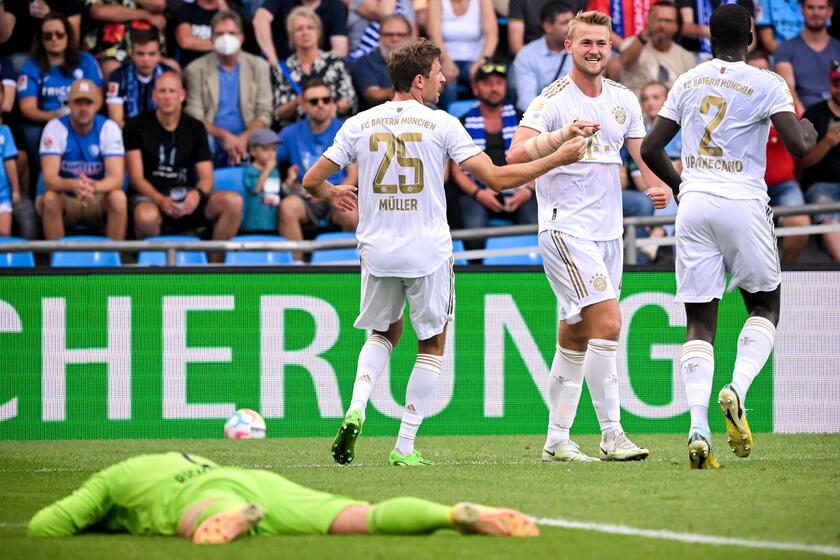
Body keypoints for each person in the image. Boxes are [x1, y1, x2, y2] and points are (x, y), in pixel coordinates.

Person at [302, 38, 591, 466]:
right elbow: (494, 179)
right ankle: (403, 447)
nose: (444, 78)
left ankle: (357, 406)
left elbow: (310, 181)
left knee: (382, 333)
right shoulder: (442, 123)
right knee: (431, 344)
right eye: (438, 72)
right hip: (428, 251)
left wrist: (331, 193)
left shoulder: (359, 123)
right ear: (419, 81)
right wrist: (558, 157)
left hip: (378, 249)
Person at [641, 3, 817, 468]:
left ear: (709, 39)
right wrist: (807, 127)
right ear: (753, 38)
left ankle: (698, 426)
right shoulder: (766, 82)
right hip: (742, 201)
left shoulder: (688, 80)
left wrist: (681, 187)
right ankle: (736, 389)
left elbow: (650, 148)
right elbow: (797, 146)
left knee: (700, 323)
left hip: (694, 203)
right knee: (764, 305)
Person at [507, 10, 671, 463]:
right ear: (568, 47)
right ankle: (612, 434)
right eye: (586, 44)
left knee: (575, 336)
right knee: (609, 324)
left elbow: (642, 154)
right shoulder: (552, 100)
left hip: (608, 234)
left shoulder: (623, 99)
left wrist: (655, 184)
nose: (595, 50)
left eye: (602, 43)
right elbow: (514, 152)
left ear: (610, 47)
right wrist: (560, 138)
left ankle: (556, 439)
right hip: (565, 229)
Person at [27, 452, 539, 541]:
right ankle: (453, 514)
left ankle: (230, 522)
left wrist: (105, 519)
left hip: (216, 492)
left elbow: (43, 527)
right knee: (363, 516)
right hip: (256, 480)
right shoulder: (178, 458)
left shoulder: (113, 480)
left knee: (204, 512)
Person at [124, 72, 242, 262]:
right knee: (146, 216)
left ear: (182, 95)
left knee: (233, 202)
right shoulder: (135, 126)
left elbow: (207, 178)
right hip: (150, 196)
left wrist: (196, 194)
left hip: (185, 196)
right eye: (162, 91)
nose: (167, 96)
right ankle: (150, 269)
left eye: (172, 91)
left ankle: (216, 269)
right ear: (154, 96)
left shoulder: (196, 128)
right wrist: (160, 199)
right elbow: (136, 178)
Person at [450, 59, 538, 249]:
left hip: (520, 189)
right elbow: (456, 169)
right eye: (488, 83)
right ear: (475, 88)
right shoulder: (462, 123)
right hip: (478, 193)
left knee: (537, 228)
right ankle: (477, 276)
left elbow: (538, 159)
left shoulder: (524, 119)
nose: (494, 88)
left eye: (499, 83)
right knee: (473, 233)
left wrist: (527, 190)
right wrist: (478, 194)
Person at [277, 78, 359, 262]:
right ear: (303, 105)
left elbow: (353, 175)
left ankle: (352, 266)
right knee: (287, 208)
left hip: (339, 192)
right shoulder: (290, 133)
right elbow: (267, 159)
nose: (321, 105)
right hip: (304, 196)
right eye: (314, 101)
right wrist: (285, 179)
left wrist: (328, 192)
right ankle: (295, 269)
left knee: (353, 215)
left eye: (326, 99)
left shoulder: (346, 129)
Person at [17, 12, 103, 183]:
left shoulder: (86, 60)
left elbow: (98, 98)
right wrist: (57, 117)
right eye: (48, 36)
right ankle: (42, 183)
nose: (54, 39)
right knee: (32, 135)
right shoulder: (31, 66)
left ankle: (96, 182)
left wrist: (79, 116)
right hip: (48, 120)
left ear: (68, 36)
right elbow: (27, 108)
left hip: (84, 116)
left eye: (59, 34)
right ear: (41, 40)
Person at [37, 79, 127, 241]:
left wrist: (93, 186)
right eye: (78, 103)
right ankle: (56, 262)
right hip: (67, 197)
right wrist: (73, 184)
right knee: (50, 198)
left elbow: (117, 179)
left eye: (88, 102)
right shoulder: (55, 127)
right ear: (69, 104)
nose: (83, 108)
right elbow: (49, 179)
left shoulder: (108, 128)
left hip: (97, 198)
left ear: (97, 104)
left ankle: (115, 260)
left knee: (118, 198)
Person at [184, 10, 273, 167]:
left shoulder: (259, 66)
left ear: (241, 37)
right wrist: (225, 136)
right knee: (202, 139)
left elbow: (264, 112)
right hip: (213, 134)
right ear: (211, 39)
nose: (226, 38)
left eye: (232, 33)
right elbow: (194, 115)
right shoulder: (195, 69)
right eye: (220, 34)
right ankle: (206, 187)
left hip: (248, 133)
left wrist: (244, 137)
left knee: (266, 139)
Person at [747, 51, 810, 264]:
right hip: (747, 187)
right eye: (753, 72)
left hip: (783, 185)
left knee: (800, 224)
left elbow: (799, 143)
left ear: (772, 74)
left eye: (764, 71)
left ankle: (785, 270)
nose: (759, 77)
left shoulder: (785, 102)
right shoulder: (734, 106)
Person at [271, 7, 356, 130]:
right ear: (291, 35)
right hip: (297, 136)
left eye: (310, 27)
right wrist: (298, 102)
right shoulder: (282, 68)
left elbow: (350, 101)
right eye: (299, 29)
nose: (305, 32)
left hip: (333, 133)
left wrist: (329, 107)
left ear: (318, 32)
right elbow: (278, 113)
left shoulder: (336, 63)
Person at [800, 60, 840, 262]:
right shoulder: (814, 114)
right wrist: (827, 142)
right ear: (829, 84)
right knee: (828, 219)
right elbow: (803, 162)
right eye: (836, 83)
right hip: (821, 185)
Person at [426, 0, 499, 110]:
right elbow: (434, 35)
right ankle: (446, 120)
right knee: (446, 82)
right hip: (444, 58)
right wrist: (445, 61)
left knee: (483, 79)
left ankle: (481, 120)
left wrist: (481, 62)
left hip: (476, 59)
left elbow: (492, 36)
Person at [774, 0, 840, 114]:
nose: (816, 13)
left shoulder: (838, 48)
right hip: (803, 116)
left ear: (830, 11)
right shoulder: (785, 48)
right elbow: (787, 89)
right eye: (810, 7)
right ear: (802, 10)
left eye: (821, 8)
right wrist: (804, 118)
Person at [620, 1, 696, 97]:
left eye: (668, 21)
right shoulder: (631, 44)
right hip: (635, 109)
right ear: (649, 20)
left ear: (677, 26)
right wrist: (645, 33)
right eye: (657, 20)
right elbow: (625, 62)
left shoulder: (686, 57)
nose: (661, 25)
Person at [512, 1, 575, 113]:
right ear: (547, 27)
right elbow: (526, 102)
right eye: (564, 23)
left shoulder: (583, 50)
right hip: (543, 119)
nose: (571, 28)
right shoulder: (527, 55)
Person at [106, 28, 176, 128]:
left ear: (159, 55)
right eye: (140, 54)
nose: (146, 59)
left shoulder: (169, 75)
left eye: (151, 54)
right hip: (128, 135)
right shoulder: (118, 76)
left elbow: (174, 117)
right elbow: (116, 120)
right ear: (131, 54)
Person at [82, 0, 167, 79]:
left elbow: (158, 4)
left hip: (150, 50)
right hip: (110, 53)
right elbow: (99, 12)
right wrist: (146, 15)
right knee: (112, 68)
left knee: (171, 67)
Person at [253, 0, 349, 66]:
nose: (305, 33)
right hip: (281, 66)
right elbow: (260, 19)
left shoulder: (335, 6)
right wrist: (273, 60)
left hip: (321, 70)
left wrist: (309, 66)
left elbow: (340, 50)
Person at [352, 14, 413, 110]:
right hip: (378, 117)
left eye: (400, 34)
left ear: (409, 37)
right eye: (389, 34)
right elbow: (372, 95)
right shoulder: (365, 62)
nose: (395, 39)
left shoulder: (418, 61)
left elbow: (438, 87)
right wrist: (406, 91)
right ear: (380, 37)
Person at [241, 127, 283, 234]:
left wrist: (290, 178)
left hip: (273, 222)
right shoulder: (250, 171)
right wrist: (267, 170)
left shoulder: (275, 172)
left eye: (274, 149)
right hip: (254, 223)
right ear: (253, 151)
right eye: (265, 149)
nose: (271, 154)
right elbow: (255, 189)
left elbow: (276, 192)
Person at [347, 0, 416, 62]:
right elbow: (386, 13)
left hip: (399, 60)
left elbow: (413, 40)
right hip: (361, 59)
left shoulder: (405, 2)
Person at [0, 118, 18, 237]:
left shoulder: (4, 131)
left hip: (2, 194)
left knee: (4, 233)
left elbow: (10, 162)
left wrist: (16, 191)